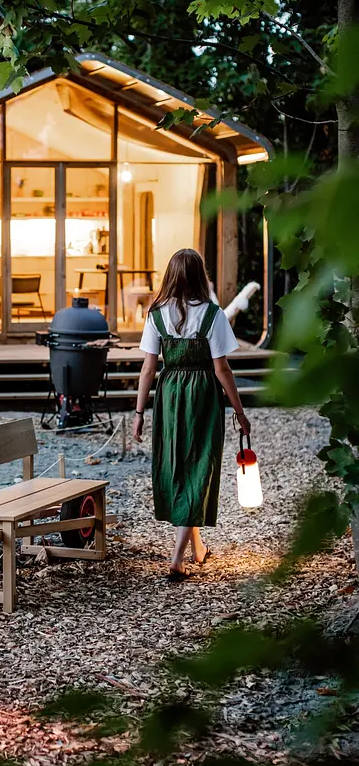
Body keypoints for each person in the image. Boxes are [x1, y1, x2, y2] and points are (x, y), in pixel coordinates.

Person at [133, 248, 251, 579]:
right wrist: (240, 412)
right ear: (201, 276)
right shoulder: (213, 315)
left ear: (170, 276)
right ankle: (176, 559)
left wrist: (139, 412)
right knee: (199, 465)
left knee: (178, 462)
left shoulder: (156, 313)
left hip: (169, 394)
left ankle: (196, 547)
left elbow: (147, 369)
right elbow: (222, 370)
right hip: (201, 396)